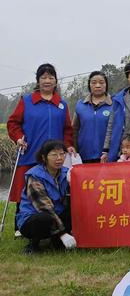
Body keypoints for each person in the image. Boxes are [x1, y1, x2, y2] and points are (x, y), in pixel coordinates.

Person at [7, 63, 74, 204]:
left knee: (53, 198)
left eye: (51, 77)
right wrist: (19, 138)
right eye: (44, 77)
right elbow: (13, 123)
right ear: (38, 81)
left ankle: (55, 225)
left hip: (54, 160)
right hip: (30, 156)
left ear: (56, 81)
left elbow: (67, 129)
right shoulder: (26, 101)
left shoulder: (61, 105)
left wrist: (68, 145)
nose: (47, 81)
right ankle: (22, 225)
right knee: (26, 197)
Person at [16, 140, 76, 254]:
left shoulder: (66, 172)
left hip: (56, 214)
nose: (59, 158)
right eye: (54, 155)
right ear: (44, 157)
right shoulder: (34, 176)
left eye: (62, 154)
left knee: (76, 208)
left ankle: (57, 242)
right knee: (44, 218)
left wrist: (75, 182)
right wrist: (62, 233)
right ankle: (33, 246)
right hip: (33, 218)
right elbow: (44, 207)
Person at [72, 71, 112, 163]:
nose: (98, 85)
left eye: (101, 82)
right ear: (89, 85)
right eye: (94, 82)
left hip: (107, 156)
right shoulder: (80, 105)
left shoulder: (113, 105)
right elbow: (75, 130)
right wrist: (74, 149)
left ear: (106, 85)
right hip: (84, 155)